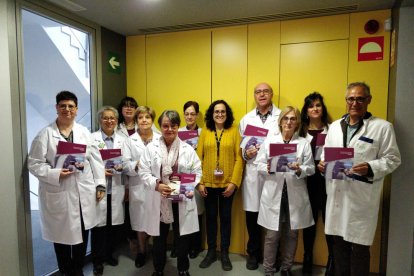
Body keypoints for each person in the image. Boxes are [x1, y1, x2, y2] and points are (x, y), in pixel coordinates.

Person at [318, 82, 401, 276]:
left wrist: (371, 167)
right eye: (351, 98)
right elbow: (327, 154)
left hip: (361, 198)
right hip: (337, 194)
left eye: (360, 98)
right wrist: (322, 164)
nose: (355, 103)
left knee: (360, 248)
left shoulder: (382, 128)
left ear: (369, 100)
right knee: (338, 244)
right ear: (346, 100)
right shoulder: (335, 127)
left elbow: (393, 158)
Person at [28, 91, 106, 276]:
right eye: (62, 106)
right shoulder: (45, 135)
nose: (67, 109)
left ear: (77, 110)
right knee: (61, 236)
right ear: (57, 108)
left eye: (71, 106)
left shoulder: (84, 133)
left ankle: (77, 269)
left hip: (83, 192)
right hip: (60, 191)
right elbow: (34, 163)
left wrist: (100, 184)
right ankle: (65, 271)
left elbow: (96, 160)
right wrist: (55, 173)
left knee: (82, 233)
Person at [138, 110, 202, 276]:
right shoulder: (150, 148)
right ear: (160, 126)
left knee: (182, 238)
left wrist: (189, 186)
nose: (169, 129)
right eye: (165, 126)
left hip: (180, 199)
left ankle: (183, 269)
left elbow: (197, 171)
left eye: (173, 125)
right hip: (159, 198)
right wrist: (157, 184)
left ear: (177, 126)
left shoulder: (187, 149)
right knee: (159, 239)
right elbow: (143, 172)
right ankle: (158, 269)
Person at [255, 106, 315, 276]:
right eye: (286, 118)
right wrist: (267, 167)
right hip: (274, 193)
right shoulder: (269, 141)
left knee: (292, 234)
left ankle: (286, 268)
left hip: (294, 194)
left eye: (293, 119)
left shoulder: (303, 143)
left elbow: (311, 168)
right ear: (280, 121)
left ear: (297, 123)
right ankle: (268, 269)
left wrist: (299, 169)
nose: (289, 122)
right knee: (272, 236)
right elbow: (258, 165)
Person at [197, 100, 244, 271]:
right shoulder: (205, 131)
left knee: (225, 219)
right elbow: (198, 157)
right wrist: (200, 182)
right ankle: (211, 252)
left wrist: (234, 182)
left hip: (227, 186)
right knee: (210, 219)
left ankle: (224, 253)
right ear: (212, 113)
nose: (220, 114)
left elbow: (239, 158)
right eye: (216, 111)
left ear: (227, 113)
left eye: (223, 111)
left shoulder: (234, 131)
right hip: (208, 184)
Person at [238, 82, 281, 270]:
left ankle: (273, 255)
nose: (262, 95)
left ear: (271, 94)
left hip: (274, 172)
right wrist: (246, 154)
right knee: (252, 214)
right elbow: (241, 149)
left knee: (274, 212)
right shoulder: (246, 119)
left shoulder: (282, 117)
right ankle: (253, 253)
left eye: (265, 91)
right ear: (254, 96)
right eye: (258, 92)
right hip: (253, 172)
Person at [298, 92, 334, 275]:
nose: (315, 109)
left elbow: (340, 154)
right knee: (309, 223)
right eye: (311, 106)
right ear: (306, 110)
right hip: (307, 182)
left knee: (330, 222)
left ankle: (332, 261)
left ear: (322, 108)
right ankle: (307, 258)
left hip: (327, 182)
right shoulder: (300, 132)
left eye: (318, 105)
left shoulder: (333, 129)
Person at [122, 106, 161, 268]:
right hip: (138, 186)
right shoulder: (130, 141)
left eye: (147, 117)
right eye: (140, 118)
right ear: (136, 121)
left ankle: (158, 251)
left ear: (152, 120)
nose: (144, 120)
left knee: (158, 220)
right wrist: (137, 164)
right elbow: (124, 165)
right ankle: (142, 251)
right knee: (139, 221)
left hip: (157, 187)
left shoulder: (160, 138)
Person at [91, 106, 126, 275]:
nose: (109, 121)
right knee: (99, 227)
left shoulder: (123, 140)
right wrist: (99, 172)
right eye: (105, 118)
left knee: (113, 226)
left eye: (112, 118)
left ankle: (109, 255)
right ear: (100, 120)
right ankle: (97, 260)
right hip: (99, 188)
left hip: (116, 187)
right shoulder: (92, 139)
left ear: (117, 121)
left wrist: (125, 166)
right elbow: (86, 164)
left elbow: (126, 162)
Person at [176, 101, 204, 259]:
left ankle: (195, 246)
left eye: (193, 114)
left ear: (197, 115)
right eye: (187, 114)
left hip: (195, 176)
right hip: (179, 177)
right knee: (179, 212)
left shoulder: (203, 132)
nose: (189, 117)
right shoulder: (178, 132)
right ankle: (180, 246)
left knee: (196, 212)